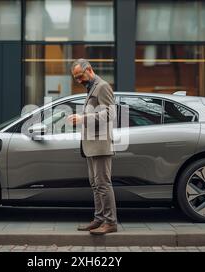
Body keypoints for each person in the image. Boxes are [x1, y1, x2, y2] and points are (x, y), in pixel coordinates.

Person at [67, 59, 118, 235]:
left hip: (101, 145)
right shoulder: (91, 87)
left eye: (80, 76)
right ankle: (99, 219)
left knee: (103, 184)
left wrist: (83, 119)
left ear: (89, 70)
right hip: (91, 145)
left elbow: (111, 113)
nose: (79, 80)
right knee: (96, 185)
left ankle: (110, 222)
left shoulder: (102, 86)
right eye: (76, 78)